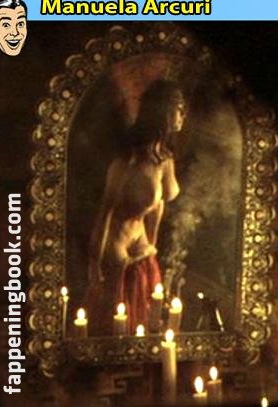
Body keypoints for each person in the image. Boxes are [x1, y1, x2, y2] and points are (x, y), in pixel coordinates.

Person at [88, 80, 185, 332]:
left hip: (140, 237)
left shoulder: (163, 160)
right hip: (115, 241)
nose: (183, 116)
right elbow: (105, 212)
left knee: (147, 303)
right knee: (121, 314)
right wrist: (94, 263)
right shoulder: (127, 162)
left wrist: (152, 244)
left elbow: (161, 202)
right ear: (164, 112)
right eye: (179, 109)